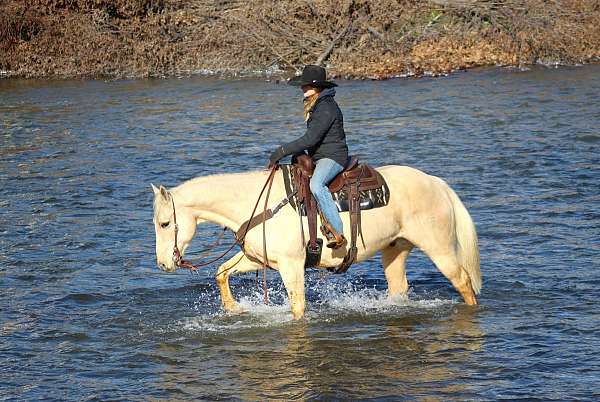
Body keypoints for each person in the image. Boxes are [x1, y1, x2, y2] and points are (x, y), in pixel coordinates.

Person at [269, 65, 349, 249]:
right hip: (320, 155)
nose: (302, 88)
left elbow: (311, 138)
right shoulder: (318, 105)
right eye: (303, 85)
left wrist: (282, 151)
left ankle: (337, 231)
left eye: (306, 86)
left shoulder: (326, 108)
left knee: (316, 184)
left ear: (318, 87)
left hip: (333, 156)